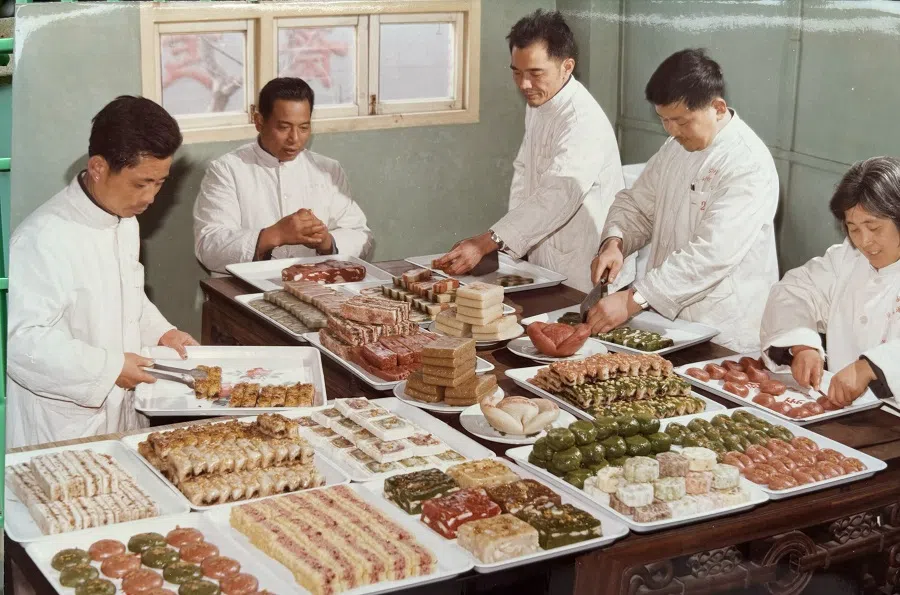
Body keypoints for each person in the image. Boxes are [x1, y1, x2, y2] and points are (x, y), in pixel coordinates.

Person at [7, 96, 198, 448]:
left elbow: (128, 296)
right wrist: (109, 368)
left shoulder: (124, 220)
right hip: (64, 425)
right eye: (141, 183)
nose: (151, 197)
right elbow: (20, 344)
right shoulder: (41, 238)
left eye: (160, 183)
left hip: (120, 410)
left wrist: (162, 332)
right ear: (98, 167)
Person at [588, 49, 779, 352]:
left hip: (723, 331)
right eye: (664, 120)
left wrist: (633, 299)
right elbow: (638, 205)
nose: (672, 131)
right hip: (669, 320)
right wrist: (615, 242)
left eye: (682, 121)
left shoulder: (748, 163)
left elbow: (712, 254)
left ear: (717, 107)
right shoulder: (675, 147)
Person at [433, 9, 625, 293]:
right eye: (517, 72)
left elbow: (559, 194)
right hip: (543, 260)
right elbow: (524, 173)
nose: (524, 84)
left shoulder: (583, 120)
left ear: (567, 67)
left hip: (586, 270)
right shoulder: (540, 101)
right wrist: (510, 248)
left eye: (535, 73)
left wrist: (490, 240)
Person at [193, 77, 373, 274]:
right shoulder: (227, 170)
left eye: (304, 127)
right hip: (244, 289)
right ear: (259, 121)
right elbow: (208, 246)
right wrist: (274, 235)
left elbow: (361, 236)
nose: (294, 139)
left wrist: (326, 241)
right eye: (284, 127)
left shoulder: (328, 169)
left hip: (314, 284)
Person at [760, 156, 900, 405]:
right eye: (854, 228)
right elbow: (794, 290)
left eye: (874, 227)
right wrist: (802, 344)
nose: (864, 241)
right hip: (843, 411)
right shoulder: (847, 258)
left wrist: (871, 367)